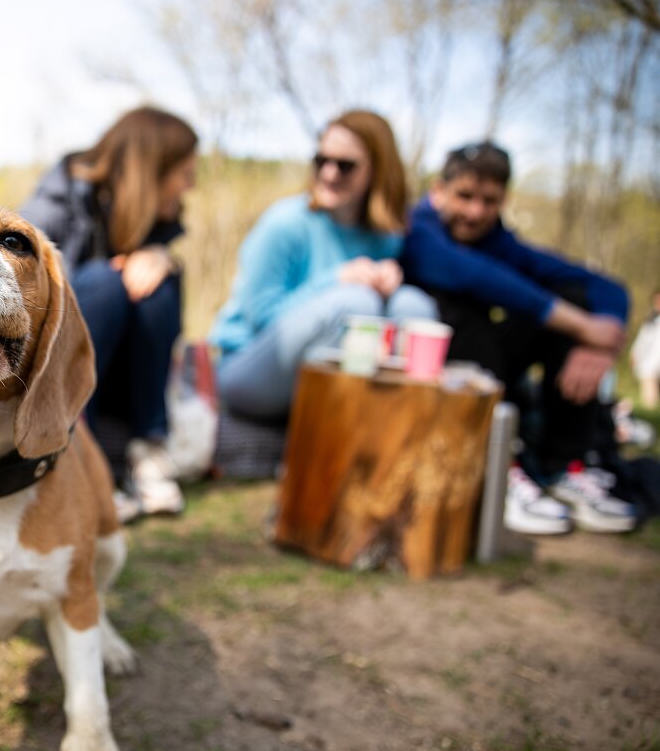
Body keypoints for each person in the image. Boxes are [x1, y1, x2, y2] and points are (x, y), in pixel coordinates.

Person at [401, 141, 635, 534]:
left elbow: (604, 285)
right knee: (453, 307)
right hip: (429, 375)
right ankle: (497, 468)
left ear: (503, 201)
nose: (476, 212)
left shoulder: (502, 245)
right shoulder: (416, 227)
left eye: (489, 201)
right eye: (465, 196)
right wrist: (580, 326)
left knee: (573, 297)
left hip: (492, 371)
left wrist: (599, 341)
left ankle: (565, 465)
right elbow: (468, 274)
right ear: (438, 191)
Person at [21, 106, 198, 520]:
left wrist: (161, 257)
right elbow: (22, 289)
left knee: (158, 283)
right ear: (152, 170)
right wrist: (110, 277)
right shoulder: (57, 202)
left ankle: (149, 450)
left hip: (123, 374)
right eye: (185, 173)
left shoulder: (155, 220)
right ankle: (80, 451)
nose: (190, 186)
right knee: (104, 281)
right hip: (55, 367)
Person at [210, 109, 438, 422]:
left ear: (378, 170)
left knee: (413, 306)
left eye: (346, 165)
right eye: (321, 161)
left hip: (323, 373)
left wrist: (387, 284)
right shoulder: (285, 224)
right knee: (357, 302)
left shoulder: (387, 237)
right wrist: (337, 280)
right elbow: (261, 319)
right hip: (247, 367)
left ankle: (400, 425)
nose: (330, 174)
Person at [631, 290, 660, 410]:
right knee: (649, 392)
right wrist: (635, 354)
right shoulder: (651, 319)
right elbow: (642, 340)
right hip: (649, 362)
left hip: (655, 361)